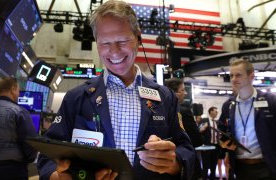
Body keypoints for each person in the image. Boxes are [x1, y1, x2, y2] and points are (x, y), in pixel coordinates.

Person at [37, 1, 195, 179]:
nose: (114, 52)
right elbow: (48, 153)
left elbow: (186, 151)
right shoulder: (76, 97)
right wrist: (56, 176)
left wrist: (173, 163)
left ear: (138, 38)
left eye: (123, 40)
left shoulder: (165, 97)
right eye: (104, 43)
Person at [218, 59, 276, 180]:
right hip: (239, 168)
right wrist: (224, 143)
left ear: (251, 76)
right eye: (231, 75)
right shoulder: (228, 105)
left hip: (266, 166)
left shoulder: (271, 101)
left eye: (238, 75)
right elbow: (221, 130)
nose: (234, 79)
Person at [165, 78, 203, 179]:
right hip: (185, 162)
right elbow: (196, 140)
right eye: (182, 90)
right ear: (174, 92)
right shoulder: (184, 111)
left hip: (165, 163)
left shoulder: (159, 110)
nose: (185, 93)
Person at [199, 106, 220, 180]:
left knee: (214, 166)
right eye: (215, 111)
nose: (217, 112)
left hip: (216, 146)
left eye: (217, 111)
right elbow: (199, 130)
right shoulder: (205, 120)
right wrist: (204, 127)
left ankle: (212, 178)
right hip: (207, 146)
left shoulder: (217, 122)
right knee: (205, 165)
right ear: (210, 111)